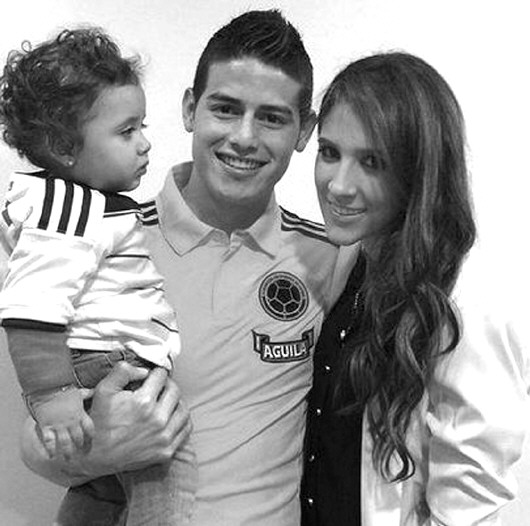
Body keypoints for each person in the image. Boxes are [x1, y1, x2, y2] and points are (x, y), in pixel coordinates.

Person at [18, 10, 357, 526]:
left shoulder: (329, 258)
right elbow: (36, 429)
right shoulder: (106, 242)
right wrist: (99, 450)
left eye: (271, 118)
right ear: (190, 109)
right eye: (226, 109)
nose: (244, 137)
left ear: (304, 130)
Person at [300, 51, 530, 525]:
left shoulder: (466, 302)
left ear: (418, 171)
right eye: (330, 152)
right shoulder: (351, 261)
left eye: (371, 162)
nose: (338, 185)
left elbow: (470, 502)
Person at [0, 28, 196, 525]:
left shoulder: (84, 205)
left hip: (105, 363)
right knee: (167, 478)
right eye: (127, 132)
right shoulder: (68, 208)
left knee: (104, 492)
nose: (145, 144)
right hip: (111, 366)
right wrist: (52, 396)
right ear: (64, 146)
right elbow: (30, 307)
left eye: (141, 127)